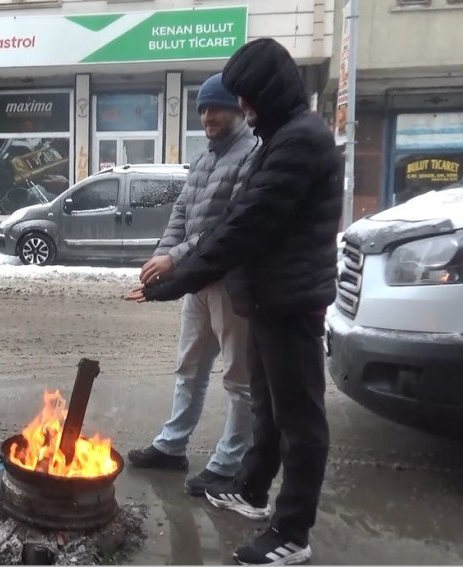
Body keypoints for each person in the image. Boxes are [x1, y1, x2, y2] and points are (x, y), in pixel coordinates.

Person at [125, 38, 341, 565]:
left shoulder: (297, 142)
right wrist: (171, 271)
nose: (236, 108)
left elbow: (242, 227)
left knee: (299, 421)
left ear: (266, 91)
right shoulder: (278, 138)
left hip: (290, 302)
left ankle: (292, 533)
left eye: (241, 98)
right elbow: (200, 218)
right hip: (266, 298)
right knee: (269, 408)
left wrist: (174, 279)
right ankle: (249, 489)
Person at [126, 74, 260, 498]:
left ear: (238, 109)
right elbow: (181, 214)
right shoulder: (203, 160)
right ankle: (172, 446)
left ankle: (229, 462)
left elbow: (230, 227)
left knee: (238, 377)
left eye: (216, 107)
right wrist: (162, 257)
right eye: (202, 108)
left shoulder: (252, 155)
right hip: (198, 282)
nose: (208, 115)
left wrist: (175, 257)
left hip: (233, 283)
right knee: (189, 368)